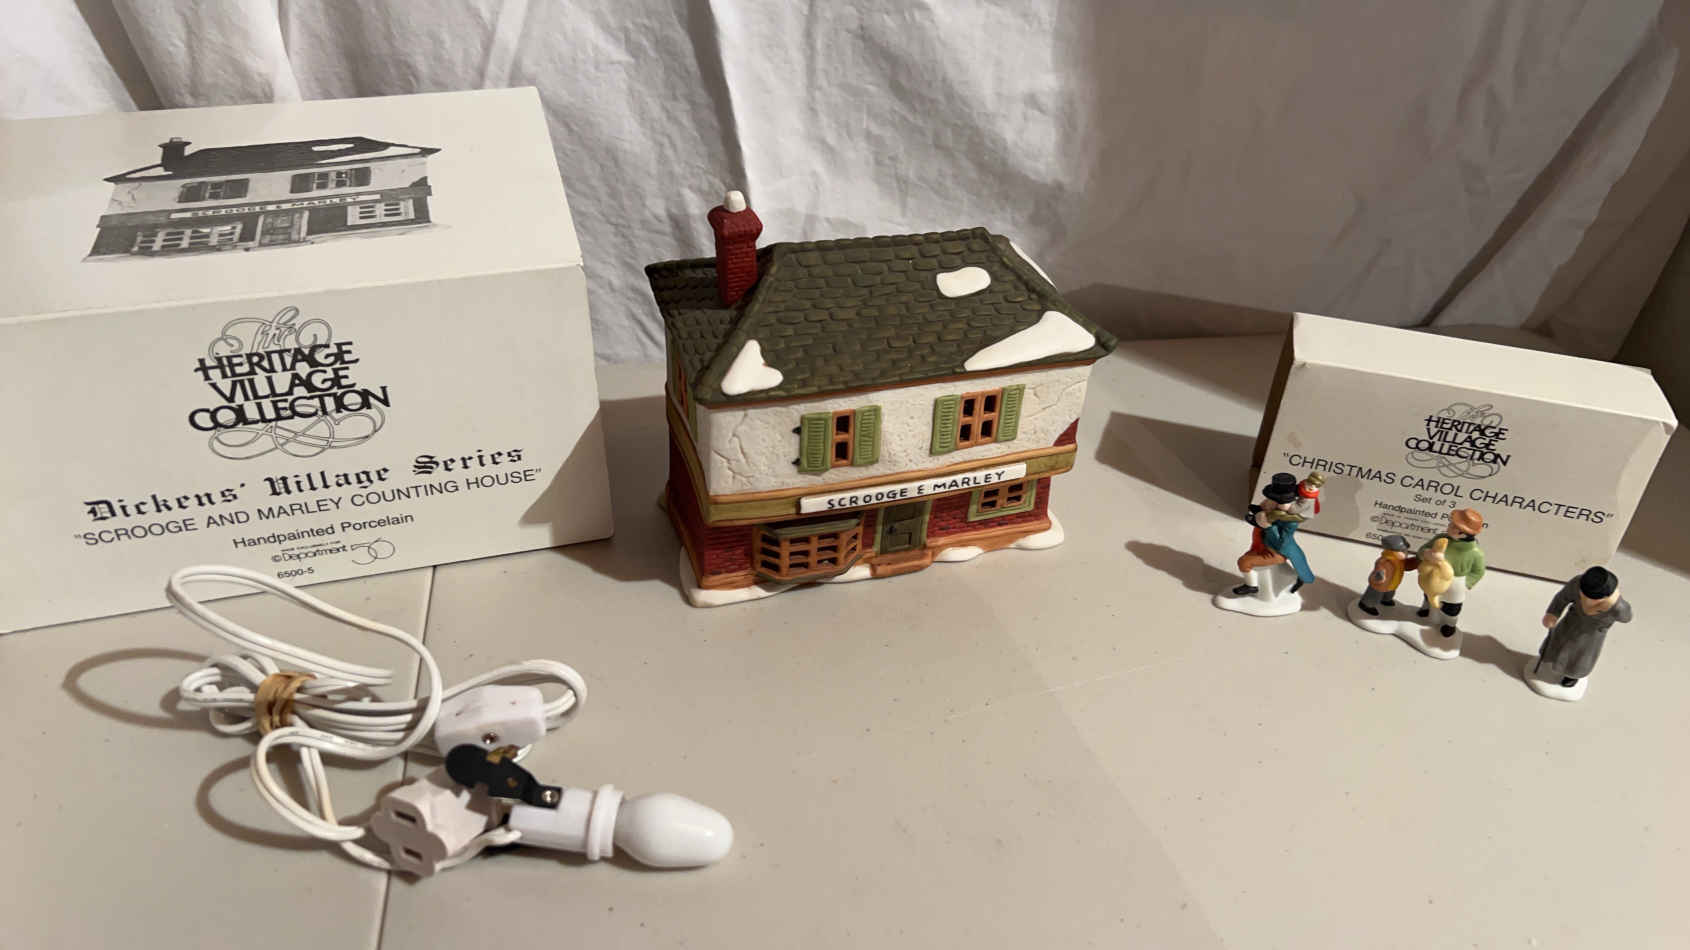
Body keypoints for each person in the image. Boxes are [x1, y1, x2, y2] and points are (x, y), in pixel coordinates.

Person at [1534, 566, 1632, 689]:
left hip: (1591, 634)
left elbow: (1626, 618)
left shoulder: (1619, 608)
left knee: (1580, 657)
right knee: (1557, 643)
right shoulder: (1577, 584)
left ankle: (1572, 676)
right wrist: (1553, 614)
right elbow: (1562, 598)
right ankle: (1550, 660)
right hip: (1570, 622)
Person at [1231, 472, 1315, 596]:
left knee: (1244, 562)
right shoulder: (1270, 507)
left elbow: (1281, 541)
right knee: (1246, 559)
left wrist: (1267, 526)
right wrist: (1258, 515)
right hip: (1263, 545)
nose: (1271, 502)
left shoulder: (1289, 522)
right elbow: (1262, 513)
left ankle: (1251, 586)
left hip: (1277, 551)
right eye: (1273, 498)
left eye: (1278, 500)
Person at [1415, 508, 1485, 638]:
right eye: (1451, 523)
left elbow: (1478, 571)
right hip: (1434, 574)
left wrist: (1466, 584)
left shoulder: (1475, 553)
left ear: (1463, 533)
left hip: (1456, 582)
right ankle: (1426, 609)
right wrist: (1427, 554)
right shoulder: (1440, 539)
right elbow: (1422, 549)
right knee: (1428, 594)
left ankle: (1449, 624)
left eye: (1453, 526)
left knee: (1451, 607)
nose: (1448, 526)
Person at [1356, 534, 1410, 615]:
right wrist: (1379, 576)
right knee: (1374, 595)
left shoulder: (1399, 561)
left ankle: (1385, 600)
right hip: (1381, 584)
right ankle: (1366, 605)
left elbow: (1406, 566)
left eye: (1405, 550)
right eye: (1402, 551)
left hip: (1392, 584)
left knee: (1389, 594)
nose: (1405, 553)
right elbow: (1379, 570)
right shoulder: (1384, 561)